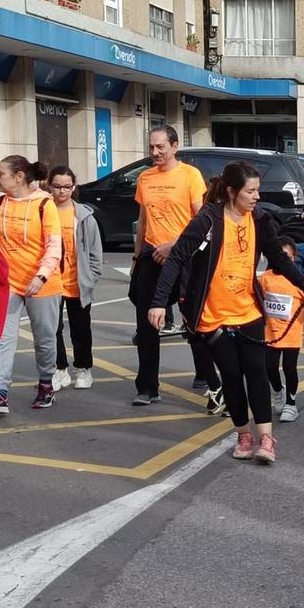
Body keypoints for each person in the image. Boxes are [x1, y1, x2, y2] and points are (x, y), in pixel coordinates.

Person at [151, 160, 304, 463]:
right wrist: (158, 302)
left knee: (256, 373)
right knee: (231, 377)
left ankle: (266, 439)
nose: (257, 196)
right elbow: (177, 258)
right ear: (232, 192)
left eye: (257, 190)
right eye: (251, 191)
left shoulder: (258, 219)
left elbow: (280, 260)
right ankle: (243, 434)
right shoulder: (208, 220)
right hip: (213, 315)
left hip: (248, 311)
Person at [127, 126, 206, 408]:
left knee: (194, 318)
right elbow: (143, 221)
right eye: (151, 147)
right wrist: (138, 258)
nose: (155, 152)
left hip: (183, 257)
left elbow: (200, 221)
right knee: (147, 323)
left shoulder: (190, 176)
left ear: (174, 146)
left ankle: (205, 373)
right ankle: (148, 386)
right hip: (151, 256)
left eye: (160, 147)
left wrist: (174, 245)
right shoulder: (145, 178)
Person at [0, 155, 64, 415]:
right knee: (2, 338)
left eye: (0, 174)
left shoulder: (44, 204)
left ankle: (46, 384)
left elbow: (54, 245)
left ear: (18, 177)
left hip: (42, 284)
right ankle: (0, 391)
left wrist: (40, 276)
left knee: (44, 339)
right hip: (8, 283)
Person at [46, 165, 104, 391]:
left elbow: (95, 253)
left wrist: (91, 276)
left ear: (74, 187)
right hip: (50, 281)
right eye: (57, 186)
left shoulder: (84, 216)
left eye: (67, 187)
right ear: (50, 186)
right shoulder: (43, 211)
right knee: (52, 328)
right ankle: (59, 369)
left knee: (81, 328)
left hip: (77, 281)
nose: (62, 191)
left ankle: (83, 368)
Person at [261, 259, 304, 422]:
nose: (282, 259)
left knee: (289, 367)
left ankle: (291, 403)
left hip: (292, 331)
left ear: (294, 258)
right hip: (271, 332)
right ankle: (277, 391)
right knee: (270, 367)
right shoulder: (265, 277)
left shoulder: (298, 279)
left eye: (286, 255)